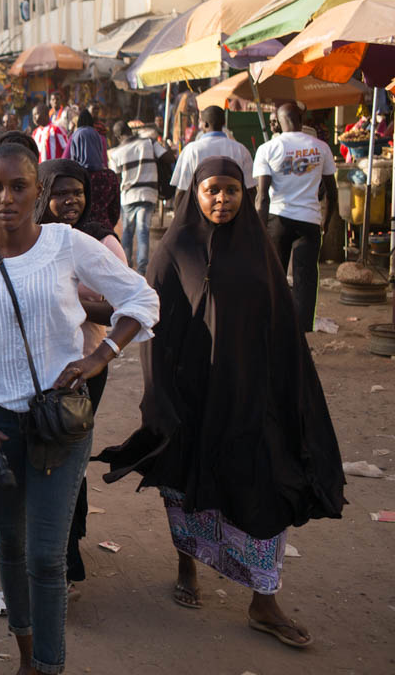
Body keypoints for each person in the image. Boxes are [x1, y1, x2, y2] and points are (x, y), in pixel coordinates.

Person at [0, 143, 158, 675]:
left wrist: (101, 355)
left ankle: (49, 668)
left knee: (47, 556)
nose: (6, 198)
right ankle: (26, 657)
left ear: (38, 193)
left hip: (60, 421)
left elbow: (142, 298)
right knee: (10, 545)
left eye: (19, 187)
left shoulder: (65, 243)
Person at [95, 157, 345, 649]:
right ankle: (187, 565)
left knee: (265, 484)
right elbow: (154, 324)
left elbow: (283, 324)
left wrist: (291, 391)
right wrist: (158, 393)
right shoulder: (175, 248)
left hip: (253, 394)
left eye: (232, 190)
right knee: (187, 479)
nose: (223, 200)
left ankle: (263, 601)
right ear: (196, 193)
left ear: (244, 195)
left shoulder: (259, 248)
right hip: (192, 394)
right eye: (213, 190)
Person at [31, 159, 130, 591]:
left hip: (84, 367)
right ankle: (50, 551)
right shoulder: (28, 239)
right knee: (41, 458)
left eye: (78, 192)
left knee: (65, 458)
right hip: (35, 367)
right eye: (60, 193)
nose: (71, 200)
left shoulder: (98, 241)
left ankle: (67, 561)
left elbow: (124, 306)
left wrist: (66, 301)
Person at [254, 103, 337, 333]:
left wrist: (259, 230)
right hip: (309, 220)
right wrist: (326, 221)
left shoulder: (267, 149)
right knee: (306, 279)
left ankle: (275, 328)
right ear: (301, 119)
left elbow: (262, 197)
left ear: (279, 122)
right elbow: (331, 192)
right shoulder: (321, 147)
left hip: (278, 219)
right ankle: (301, 334)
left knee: (275, 276)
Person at [108, 120, 173, 274]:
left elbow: (116, 179)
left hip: (128, 196)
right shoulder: (149, 143)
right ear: (130, 131)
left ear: (118, 136)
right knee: (143, 231)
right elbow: (169, 158)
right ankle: (142, 270)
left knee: (127, 232)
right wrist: (166, 147)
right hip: (148, 193)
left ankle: (126, 267)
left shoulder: (115, 153)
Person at [170, 106, 256, 200]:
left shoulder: (191, 150)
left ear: (205, 124)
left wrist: (178, 209)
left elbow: (182, 190)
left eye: (200, 121)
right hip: (233, 206)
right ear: (224, 123)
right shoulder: (241, 150)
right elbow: (250, 189)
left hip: (199, 206)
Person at [68, 109, 121, 232]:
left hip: (78, 234)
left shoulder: (72, 178)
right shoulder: (109, 177)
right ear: (98, 145)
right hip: (104, 232)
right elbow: (115, 212)